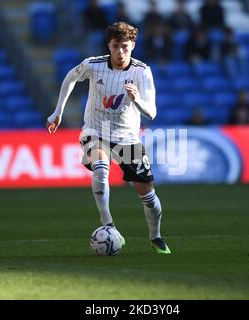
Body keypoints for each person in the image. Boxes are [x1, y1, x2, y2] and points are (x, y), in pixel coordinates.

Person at [46, 22, 171, 254]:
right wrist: (58, 112)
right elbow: (70, 78)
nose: (120, 51)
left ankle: (156, 237)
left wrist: (137, 100)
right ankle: (109, 225)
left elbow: (152, 112)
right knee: (101, 169)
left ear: (133, 45)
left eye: (125, 46)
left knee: (148, 194)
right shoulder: (93, 65)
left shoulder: (142, 71)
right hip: (96, 132)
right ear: (109, 46)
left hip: (127, 138)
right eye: (116, 46)